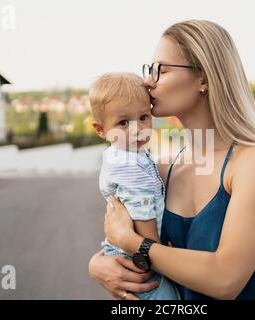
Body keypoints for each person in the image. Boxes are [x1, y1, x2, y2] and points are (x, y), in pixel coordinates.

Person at [89, 20, 255, 300]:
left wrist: (137, 245)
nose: (147, 81)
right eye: (149, 69)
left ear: (204, 78)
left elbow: (226, 279)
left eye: (160, 70)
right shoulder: (160, 168)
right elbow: (116, 240)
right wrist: (97, 265)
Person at [89, 72, 180, 300]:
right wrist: (159, 255)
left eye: (143, 117)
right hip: (138, 260)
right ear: (101, 130)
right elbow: (142, 215)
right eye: (123, 122)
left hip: (134, 251)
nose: (137, 129)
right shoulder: (126, 164)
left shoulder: (132, 153)